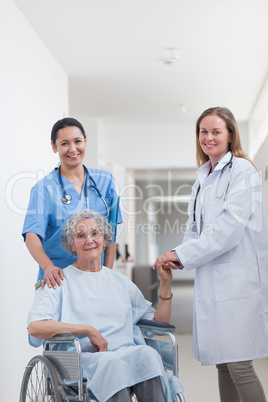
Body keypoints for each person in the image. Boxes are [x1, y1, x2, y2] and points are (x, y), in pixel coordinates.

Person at [154, 107, 268, 402]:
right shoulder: (203, 178)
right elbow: (196, 230)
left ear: (230, 135)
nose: (208, 137)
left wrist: (180, 254)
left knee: (239, 365)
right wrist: (177, 255)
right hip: (213, 282)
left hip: (238, 283)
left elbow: (227, 230)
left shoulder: (242, 171)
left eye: (216, 131)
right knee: (223, 364)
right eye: (203, 132)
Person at [27, 209, 183, 402]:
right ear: (72, 245)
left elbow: (158, 325)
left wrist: (165, 284)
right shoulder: (58, 280)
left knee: (148, 354)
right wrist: (86, 330)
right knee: (114, 364)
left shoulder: (120, 282)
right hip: (82, 360)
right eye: (81, 236)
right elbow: (35, 327)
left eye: (95, 233)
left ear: (105, 239)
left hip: (124, 355)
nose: (89, 240)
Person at [22, 117, 122, 289]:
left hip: (96, 276)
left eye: (77, 141)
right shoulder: (43, 189)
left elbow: (111, 232)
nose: (73, 149)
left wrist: (108, 273)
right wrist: (48, 268)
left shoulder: (105, 181)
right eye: (64, 143)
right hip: (60, 278)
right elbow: (31, 236)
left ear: (85, 142)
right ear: (54, 147)